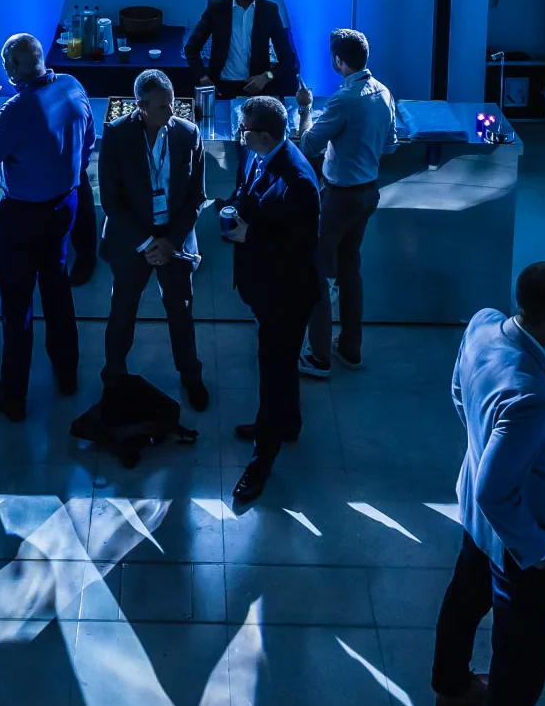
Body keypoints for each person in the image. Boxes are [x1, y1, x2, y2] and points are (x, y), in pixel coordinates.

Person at [431, 260, 545, 706]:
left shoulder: (482, 324)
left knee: (463, 601)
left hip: (476, 522)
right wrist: (539, 551)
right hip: (520, 541)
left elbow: (458, 392)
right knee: (519, 662)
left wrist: (482, 445)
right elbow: (495, 492)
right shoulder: (531, 394)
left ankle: (451, 688)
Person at [0, 32, 97, 420]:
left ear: (12, 67)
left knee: (17, 303)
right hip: (65, 206)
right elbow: (88, 143)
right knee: (57, 288)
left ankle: (13, 394)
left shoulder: (17, 108)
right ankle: (67, 374)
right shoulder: (73, 86)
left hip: (22, 216)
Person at [219, 93, 319, 503]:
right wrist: (231, 210)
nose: (239, 134)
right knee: (281, 363)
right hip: (263, 285)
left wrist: (248, 235)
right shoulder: (256, 154)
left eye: (243, 129)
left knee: (273, 370)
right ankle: (287, 424)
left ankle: (263, 457)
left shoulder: (299, 182)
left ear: (263, 135)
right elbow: (245, 191)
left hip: (287, 293)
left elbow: (299, 245)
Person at [98, 69, 208, 410]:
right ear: (140, 106)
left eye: (172, 102)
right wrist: (146, 243)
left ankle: (190, 375)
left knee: (181, 311)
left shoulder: (188, 133)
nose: (171, 111)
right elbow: (111, 200)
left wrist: (171, 242)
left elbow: (196, 196)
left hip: (174, 239)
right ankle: (113, 376)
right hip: (133, 241)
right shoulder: (116, 135)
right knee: (122, 310)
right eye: (163, 106)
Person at [295, 27, 397, 376]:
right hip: (369, 193)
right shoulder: (383, 92)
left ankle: (319, 356)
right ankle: (351, 349)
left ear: (339, 61)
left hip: (340, 197)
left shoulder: (344, 99)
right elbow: (390, 145)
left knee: (319, 273)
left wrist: (305, 108)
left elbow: (308, 145)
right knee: (350, 269)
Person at [184, 0, 298, 98]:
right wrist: (203, 78)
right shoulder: (217, 8)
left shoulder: (269, 11)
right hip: (222, 88)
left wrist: (266, 77)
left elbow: (287, 58)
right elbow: (191, 49)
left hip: (256, 89)